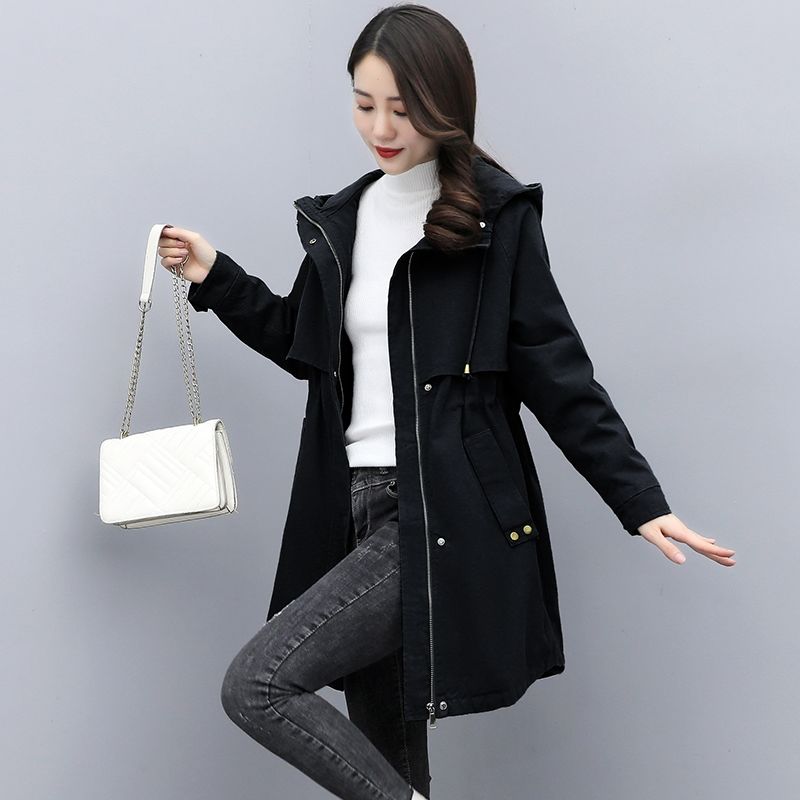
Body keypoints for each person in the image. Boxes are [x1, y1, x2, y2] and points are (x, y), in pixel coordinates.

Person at [157, 5, 735, 800]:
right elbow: (304, 345)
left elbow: (559, 376)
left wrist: (641, 502)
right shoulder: (343, 219)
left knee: (258, 684)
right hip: (348, 507)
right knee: (388, 759)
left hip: (437, 512)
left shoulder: (496, 219)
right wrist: (215, 275)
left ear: (445, 104)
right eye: (364, 103)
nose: (380, 128)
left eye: (402, 108)